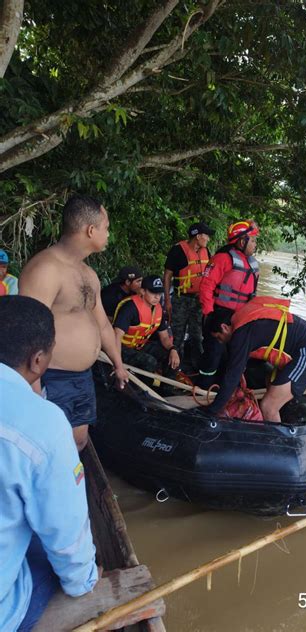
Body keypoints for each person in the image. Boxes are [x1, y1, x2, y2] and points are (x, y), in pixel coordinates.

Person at [0, 295, 98, 632]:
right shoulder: (43, 422)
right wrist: (84, 583)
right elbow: (66, 534)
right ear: (39, 360)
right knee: (51, 551)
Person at [19, 194, 129, 451]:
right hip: (50, 377)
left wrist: (119, 364)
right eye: (106, 228)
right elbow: (29, 330)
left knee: (78, 442)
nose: (108, 234)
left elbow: (102, 324)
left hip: (81, 376)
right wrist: (34, 390)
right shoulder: (46, 268)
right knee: (49, 446)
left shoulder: (88, 274)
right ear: (91, 230)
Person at [204, 296, 306, 422]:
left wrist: (211, 412)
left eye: (219, 337)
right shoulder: (243, 320)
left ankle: (275, 440)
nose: (220, 342)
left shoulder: (240, 334)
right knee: (270, 383)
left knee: (268, 406)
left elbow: (232, 377)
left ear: (224, 327)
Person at [197, 219, 260, 387]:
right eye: (252, 240)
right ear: (241, 241)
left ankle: (225, 390)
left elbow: (253, 295)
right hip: (219, 315)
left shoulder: (252, 264)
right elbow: (206, 286)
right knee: (213, 354)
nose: (255, 244)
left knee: (234, 356)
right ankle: (204, 387)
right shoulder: (222, 259)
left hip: (240, 318)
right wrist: (209, 314)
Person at [163, 222, 214, 367]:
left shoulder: (206, 251)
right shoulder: (178, 250)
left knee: (197, 335)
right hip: (180, 299)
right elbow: (167, 276)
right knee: (177, 335)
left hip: (198, 300)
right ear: (198, 236)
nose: (208, 239)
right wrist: (167, 300)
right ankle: (173, 369)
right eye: (206, 236)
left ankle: (197, 368)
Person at [113, 275, 180, 375]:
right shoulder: (130, 308)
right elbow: (116, 337)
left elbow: (165, 336)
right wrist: (117, 364)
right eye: (153, 292)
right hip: (122, 348)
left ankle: (166, 389)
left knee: (171, 356)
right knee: (149, 362)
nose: (157, 297)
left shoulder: (158, 309)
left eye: (159, 293)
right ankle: (141, 389)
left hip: (140, 346)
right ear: (143, 291)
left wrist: (173, 349)